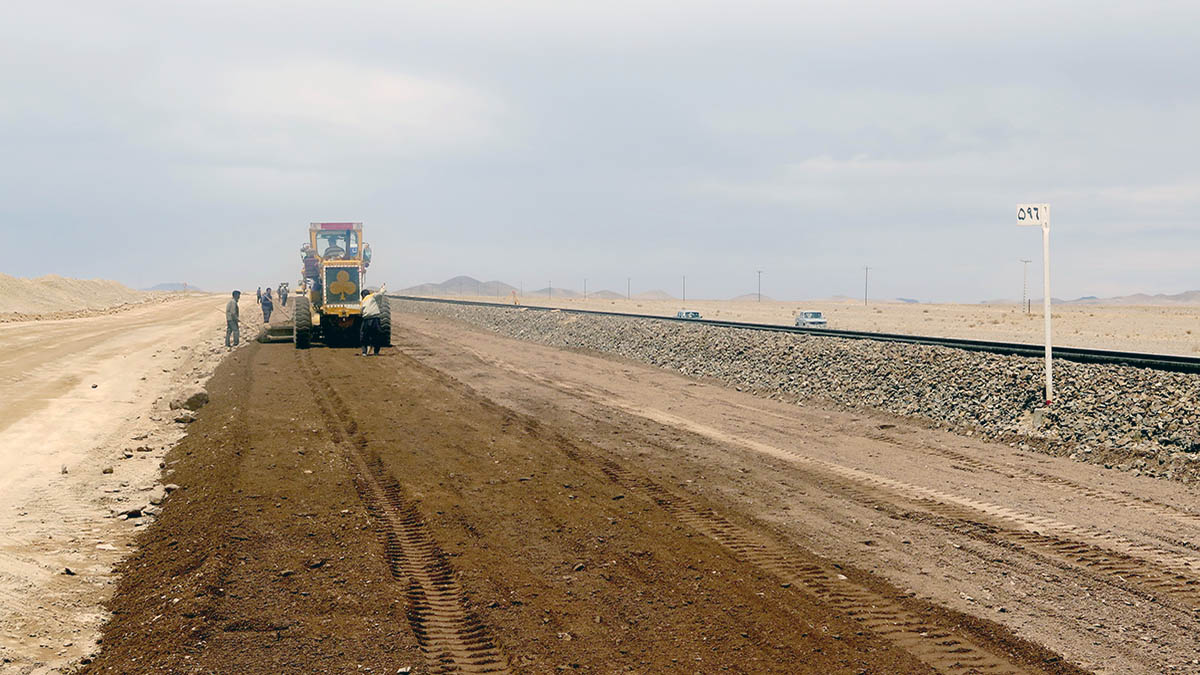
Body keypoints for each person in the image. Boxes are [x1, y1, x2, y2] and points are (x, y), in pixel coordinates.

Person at [358, 284, 387, 356]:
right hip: (375, 319)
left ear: (362, 296)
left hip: (366, 320)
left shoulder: (362, 302)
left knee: (363, 335)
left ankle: (364, 352)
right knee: (377, 335)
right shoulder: (372, 296)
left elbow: (360, 312)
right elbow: (381, 293)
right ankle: (376, 352)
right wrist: (383, 288)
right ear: (368, 293)